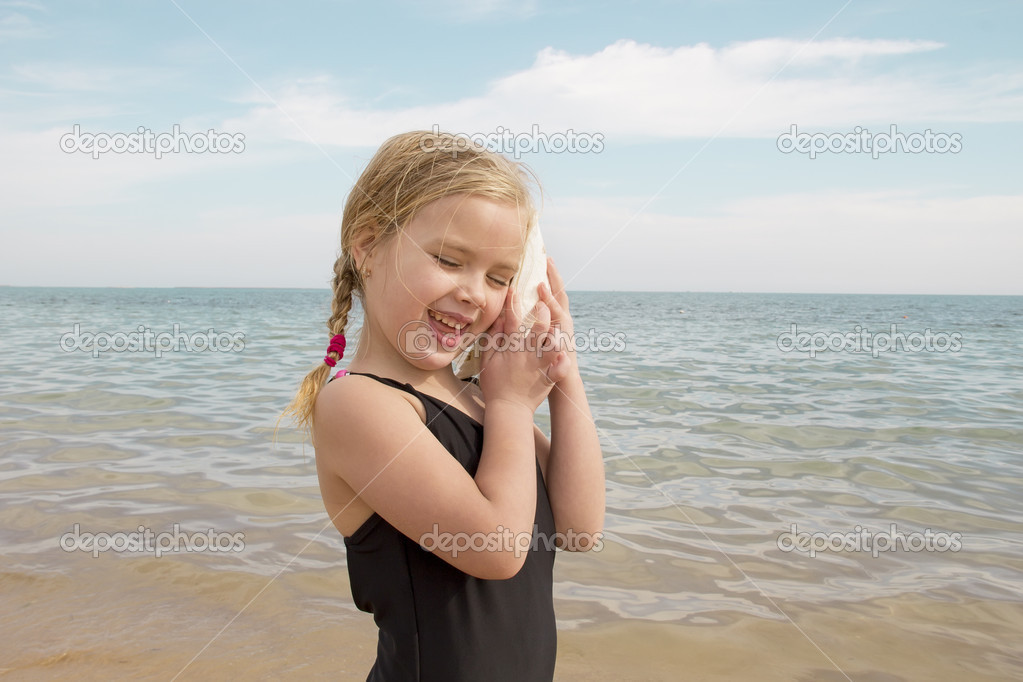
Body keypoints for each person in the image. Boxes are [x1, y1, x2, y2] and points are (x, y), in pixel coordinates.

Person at [284, 130, 605, 681]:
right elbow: (498, 550)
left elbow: (580, 528)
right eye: (449, 260)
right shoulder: (358, 402)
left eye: (500, 277)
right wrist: (510, 404)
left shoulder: (478, 399)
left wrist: (563, 370)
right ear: (366, 247)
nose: (475, 293)